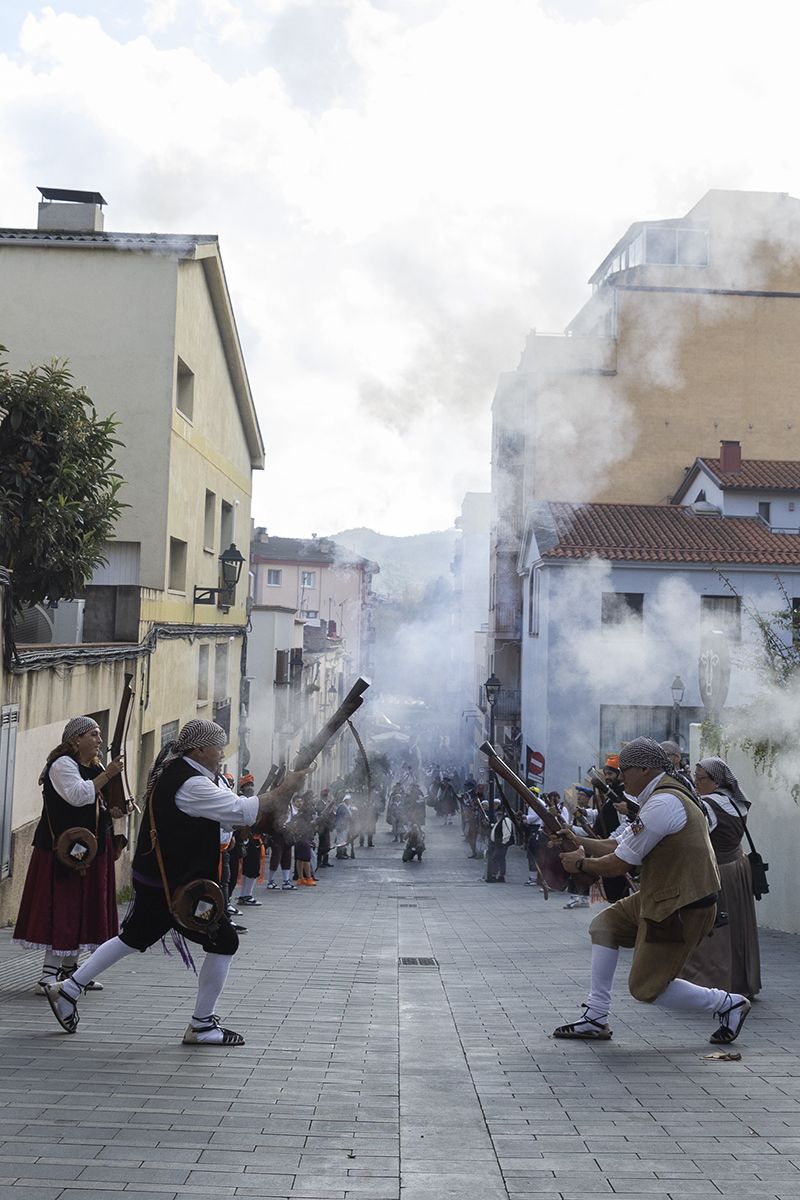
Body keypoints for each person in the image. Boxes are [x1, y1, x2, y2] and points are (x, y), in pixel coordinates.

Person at [44, 719, 304, 1046]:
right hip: (175, 884)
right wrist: (283, 791)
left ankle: (68, 989)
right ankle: (202, 1025)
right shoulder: (191, 783)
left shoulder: (188, 773)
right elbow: (240, 810)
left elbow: (230, 817)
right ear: (199, 749)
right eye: (217, 745)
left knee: (133, 937)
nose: (222, 752)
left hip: (161, 879)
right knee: (223, 941)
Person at [552, 738, 751, 1046]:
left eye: (626, 771)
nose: (621, 778)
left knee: (646, 989)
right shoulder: (661, 797)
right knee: (604, 925)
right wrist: (579, 841)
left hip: (682, 905)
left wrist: (580, 863)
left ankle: (728, 1004)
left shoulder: (663, 803)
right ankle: (595, 1016)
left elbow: (619, 863)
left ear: (645, 769)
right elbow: (620, 844)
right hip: (663, 896)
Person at [14, 715, 125, 994]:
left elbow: (95, 802)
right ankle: (47, 976)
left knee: (82, 908)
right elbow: (77, 795)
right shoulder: (62, 765)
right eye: (94, 735)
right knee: (62, 908)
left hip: (88, 851)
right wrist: (108, 775)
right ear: (76, 739)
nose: (99, 740)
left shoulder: (93, 765)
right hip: (62, 851)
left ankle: (71, 972)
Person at [681, 756, 761, 999]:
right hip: (739, 867)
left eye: (700, 778)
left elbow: (695, 839)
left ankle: (713, 978)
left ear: (715, 781)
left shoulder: (707, 805)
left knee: (714, 925)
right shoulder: (737, 803)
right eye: (695, 778)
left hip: (718, 871)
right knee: (738, 924)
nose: (696, 783)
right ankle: (740, 978)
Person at [485, 800, 514, 882]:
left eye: (499, 813)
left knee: (496, 859)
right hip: (497, 843)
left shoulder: (506, 820)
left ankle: (496, 875)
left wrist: (503, 842)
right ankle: (500, 875)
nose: (498, 814)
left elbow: (507, 833)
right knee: (500, 859)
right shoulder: (500, 820)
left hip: (501, 844)